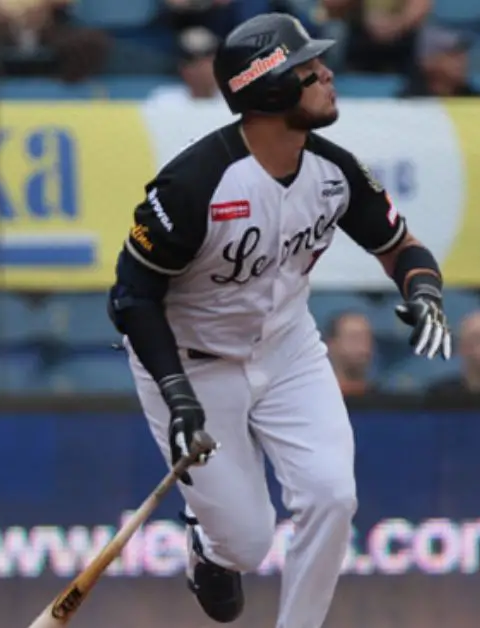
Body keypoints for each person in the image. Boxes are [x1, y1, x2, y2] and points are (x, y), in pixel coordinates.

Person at [107, 13, 452, 628]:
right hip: (193, 363)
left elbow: (400, 246)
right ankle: (210, 549)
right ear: (269, 90)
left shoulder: (333, 170)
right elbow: (131, 298)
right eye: (309, 69)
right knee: (246, 542)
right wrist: (176, 393)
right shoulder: (193, 186)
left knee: (332, 496)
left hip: (289, 349)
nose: (327, 75)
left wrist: (423, 288)